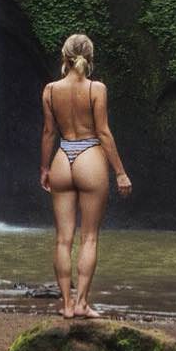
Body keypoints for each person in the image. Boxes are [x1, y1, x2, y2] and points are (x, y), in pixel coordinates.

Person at [39, 33, 131, 319]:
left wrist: (44, 169)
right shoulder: (96, 89)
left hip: (63, 158)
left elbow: (48, 133)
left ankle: (66, 305)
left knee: (62, 239)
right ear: (89, 58)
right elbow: (103, 132)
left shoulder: (50, 90)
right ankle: (81, 303)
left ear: (64, 57)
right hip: (90, 155)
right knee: (89, 238)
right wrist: (120, 172)